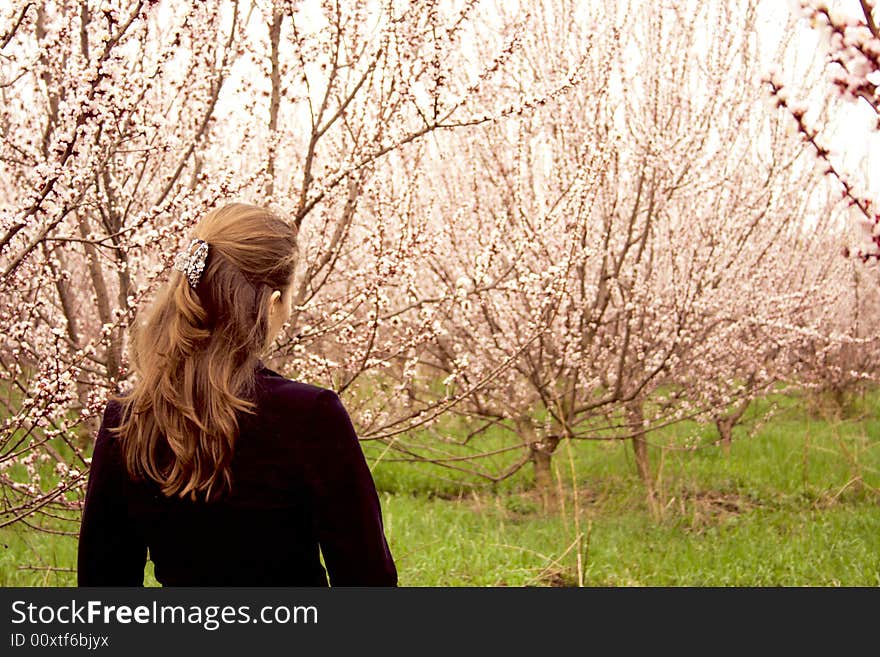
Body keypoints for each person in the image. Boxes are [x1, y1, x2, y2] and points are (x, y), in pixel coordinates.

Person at [77, 202, 397, 586]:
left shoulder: (129, 417)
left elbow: (102, 586)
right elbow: (367, 578)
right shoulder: (311, 415)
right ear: (272, 304)